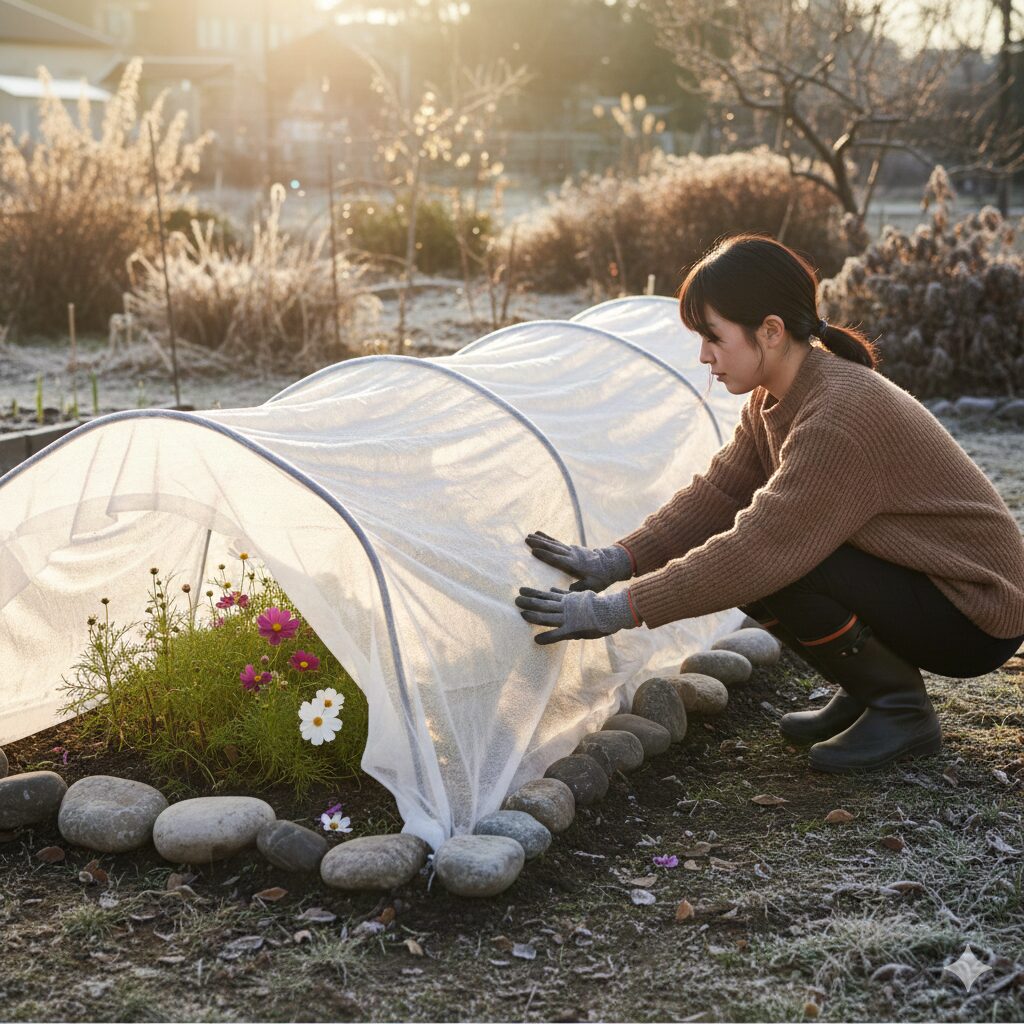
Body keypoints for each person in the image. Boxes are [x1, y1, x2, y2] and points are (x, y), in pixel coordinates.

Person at [515, 232, 1024, 773]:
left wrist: (615, 610)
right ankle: (868, 687)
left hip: (976, 611)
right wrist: (615, 560)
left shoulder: (837, 416)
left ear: (772, 331)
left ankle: (900, 709)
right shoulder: (773, 397)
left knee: (777, 566)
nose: (704, 356)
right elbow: (718, 495)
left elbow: (759, 547)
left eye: (713, 336)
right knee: (765, 554)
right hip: (926, 583)